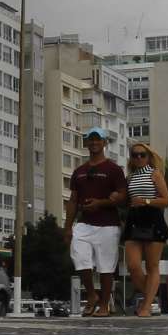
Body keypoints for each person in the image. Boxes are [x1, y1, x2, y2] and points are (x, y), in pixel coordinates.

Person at [65, 127, 127, 317]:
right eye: (90, 139)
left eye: (97, 139)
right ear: (86, 143)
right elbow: (73, 200)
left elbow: (123, 196)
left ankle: (104, 305)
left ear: (104, 143)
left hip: (108, 224)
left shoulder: (114, 169)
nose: (94, 142)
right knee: (80, 258)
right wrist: (67, 227)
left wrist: (101, 203)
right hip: (84, 223)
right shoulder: (79, 171)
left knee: (106, 267)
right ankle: (92, 295)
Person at [122, 143, 168, 317]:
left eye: (142, 154)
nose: (138, 158)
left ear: (149, 156)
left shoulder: (155, 174)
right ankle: (150, 297)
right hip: (134, 220)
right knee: (133, 266)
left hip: (153, 219)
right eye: (134, 155)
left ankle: (146, 306)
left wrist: (146, 201)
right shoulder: (130, 177)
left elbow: (166, 200)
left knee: (152, 266)